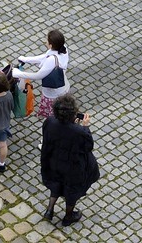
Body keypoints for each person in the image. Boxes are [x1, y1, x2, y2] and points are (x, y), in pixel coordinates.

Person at [39, 94, 99, 228]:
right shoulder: (79, 132)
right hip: (72, 167)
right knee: (71, 191)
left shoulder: (49, 121)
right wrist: (85, 127)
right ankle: (68, 216)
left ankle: (49, 210)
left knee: (56, 184)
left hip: (54, 161)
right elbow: (88, 147)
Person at [12, 29, 71, 118]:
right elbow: (45, 57)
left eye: (47, 40)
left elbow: (38, 75)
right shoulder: (63, 48)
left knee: (54, 116)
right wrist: (26, 59)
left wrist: (19, 73)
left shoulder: (52, 60)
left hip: (54, 92)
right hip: (63, 85)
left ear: (51, 45)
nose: (45, 41)